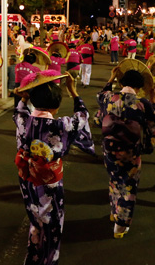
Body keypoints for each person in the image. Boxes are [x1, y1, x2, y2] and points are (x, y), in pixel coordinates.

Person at [13, 71, 95, 264]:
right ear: (56, 106)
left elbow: (20, 110)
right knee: (53, 225)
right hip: (49, 182)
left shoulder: (23, 120)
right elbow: (82, 116)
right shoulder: (60, 125)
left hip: (26, 178)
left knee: (35, 218)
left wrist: (24, 97)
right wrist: (73, 91)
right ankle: (49, 260)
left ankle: (33, 256)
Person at [97, 67, 155, 238]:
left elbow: (100, 96)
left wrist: (111, 78)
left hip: (109, 150)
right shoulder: (142, 103)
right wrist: (153, 97)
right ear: (139, 87)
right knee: (129, 186)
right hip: (130, 153)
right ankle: (120, 225)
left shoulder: (108, 98)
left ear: (121, 83)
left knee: (114, 180)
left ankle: (114, 212)